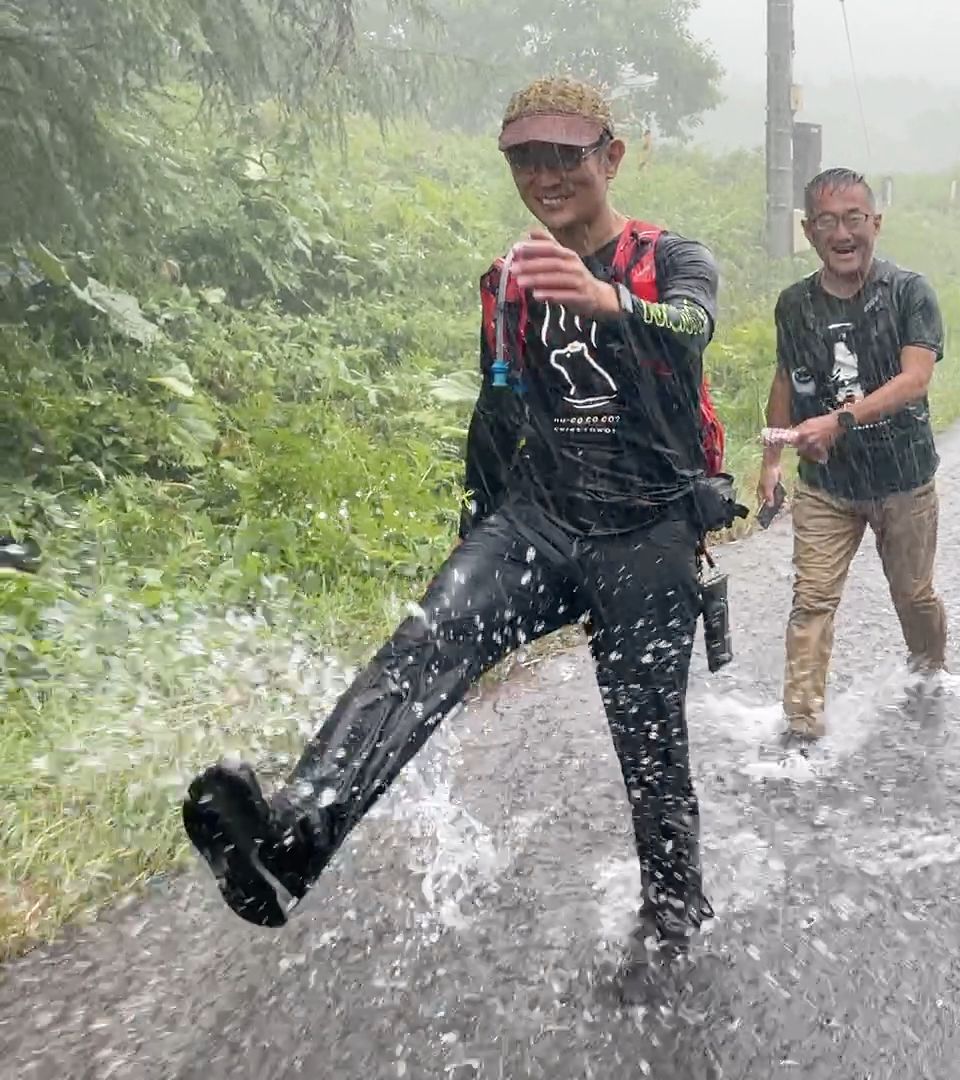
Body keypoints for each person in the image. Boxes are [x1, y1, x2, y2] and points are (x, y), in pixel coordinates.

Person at [179, 76, 739, 963]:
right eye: (526, 157)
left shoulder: (668, 258)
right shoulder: (507, 282)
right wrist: (475, 525)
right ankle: (294, 842)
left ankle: (674, 913)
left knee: (648, 737)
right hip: (537, 525)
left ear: (612, 157)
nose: (546, 175)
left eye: (566, 154)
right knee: (424, 641)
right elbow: (499, 409)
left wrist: (611, 304)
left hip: (646, 531)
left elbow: (691, 326)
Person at [758, 167, 948, 750]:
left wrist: (840, 421)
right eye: (826, 222)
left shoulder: (909, 293)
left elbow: (914, 379)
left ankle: (929, 671)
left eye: (854, 219)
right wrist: (770, 461)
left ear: (876, 224)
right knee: (811, 600)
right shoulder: (794, 305)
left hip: (904, 479)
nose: (842, 233)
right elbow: (787, 379)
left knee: (913, 596)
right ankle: (802, 727)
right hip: (826, 486)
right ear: (809, 233)